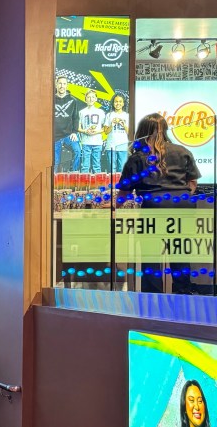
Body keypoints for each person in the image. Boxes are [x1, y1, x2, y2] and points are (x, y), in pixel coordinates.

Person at [118, 113, 202, 294]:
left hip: (154, 209)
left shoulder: (137, 158)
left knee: (151, 258)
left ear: (141, 132)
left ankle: (153, 300)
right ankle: (183, 295)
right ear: (165, 130)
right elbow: (192, 183)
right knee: (180, 256)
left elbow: (124, 193)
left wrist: (112, 206)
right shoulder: (182, 151)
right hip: (183, 208)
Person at [53, 75, 81, 172]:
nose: (62, 86)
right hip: (55, 137)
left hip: (68, 135)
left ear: (67, 85)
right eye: (60, 83)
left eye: (64, 84)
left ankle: (73, 173)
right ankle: (54, 179)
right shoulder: (51, 99)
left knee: (78, 151)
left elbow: (75, 118)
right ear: (56, 84)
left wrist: (74, 132)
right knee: (55, 162)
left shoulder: (73, 101)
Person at [78, 89, 105, 173]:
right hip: (86, 142)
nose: (91, 99)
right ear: (85, 99)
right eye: (88, 97)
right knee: (85, 166)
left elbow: (105, 128)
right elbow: (78, 128)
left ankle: (98, 181)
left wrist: (96, 132)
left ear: (96, 99)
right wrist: (85, 131)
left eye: (93, 97)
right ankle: (84, 181)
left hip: (97, 142)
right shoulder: (81, 112)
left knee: (96, 166)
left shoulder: (101, 112)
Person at [103, 94, 130, 175]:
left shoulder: (127, 116)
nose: (118, 103)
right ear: (113, 103)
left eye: (120, 101)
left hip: (123, 146)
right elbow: (106, 131)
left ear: (123, 103)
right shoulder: (109, 115)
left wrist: (124, 125)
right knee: (111, 169)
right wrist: (112, 125)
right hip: (111, 146)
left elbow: (130, 133)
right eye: (116, 101)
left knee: (122, 169)